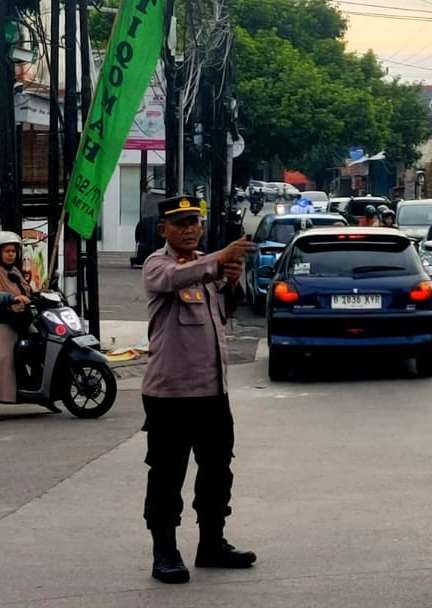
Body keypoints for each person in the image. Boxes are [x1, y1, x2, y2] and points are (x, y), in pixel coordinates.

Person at [141, 195, 257, 585]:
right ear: (164, 230)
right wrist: (219, 259)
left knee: (217, 471)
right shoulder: (158, 265)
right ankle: (165, 551)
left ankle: (212, 542)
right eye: (180, 223)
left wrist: (231, 282)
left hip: (212, 391)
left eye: (194, 222)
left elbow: (221, 313)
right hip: (170, 394)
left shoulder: (208, 266)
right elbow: (176, 279)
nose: (189, 229)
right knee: (167, 474)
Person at [0, 231, 33, 423]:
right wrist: (11, 298)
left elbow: (28, 290)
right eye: (7, 251)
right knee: (2, 356)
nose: (11, 254)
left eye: (14, 251)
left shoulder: (15, 271)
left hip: (18, 319)